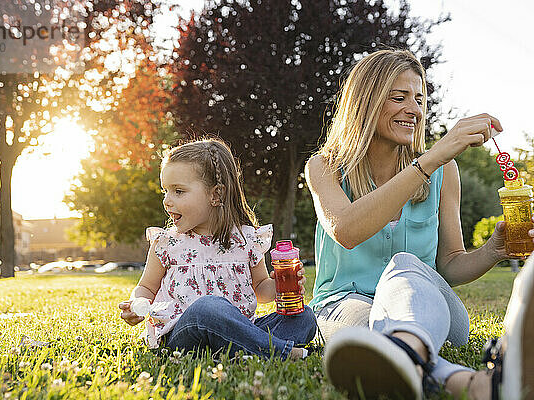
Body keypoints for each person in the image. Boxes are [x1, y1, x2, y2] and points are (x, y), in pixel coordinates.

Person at [304, 49, 534, 399]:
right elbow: (346, 230)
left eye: (419, 99)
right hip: (346, 304)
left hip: (428, 306)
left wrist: (492, 251)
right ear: (366, 103)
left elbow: (450, 265)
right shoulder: (325, 167)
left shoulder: (443, 173)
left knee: (407, 265)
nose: (414, 109)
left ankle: (405, 348)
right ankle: (470, 384)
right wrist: (431, 159)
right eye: (399, 97)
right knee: (367, 338)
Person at [119, 138, 317, 360]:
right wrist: (137, 304)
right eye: (165, 191)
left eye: (178, 191)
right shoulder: (167, 243)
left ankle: (243, 348)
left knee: (305, 318)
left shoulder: (245, 239)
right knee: (208, 307)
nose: (167, 200)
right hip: (183, 337)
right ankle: (279, 352)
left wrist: (282, 285)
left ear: (216, 195)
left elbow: (261, 289)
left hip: (236, 330)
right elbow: (146, 287)